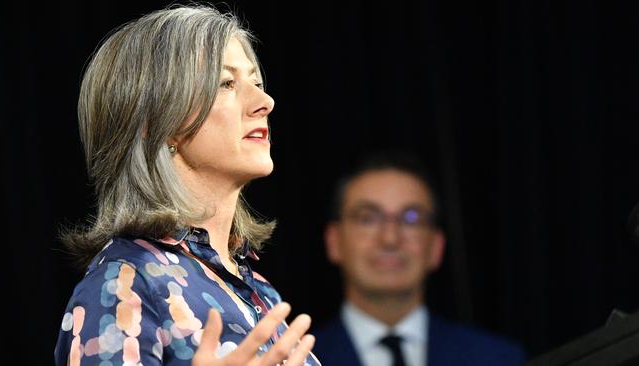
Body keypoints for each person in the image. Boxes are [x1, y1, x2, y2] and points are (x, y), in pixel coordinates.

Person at [54, 4, 320, 366]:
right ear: (155, 124)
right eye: (226, 83)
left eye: (256, 83)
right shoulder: (123, 286)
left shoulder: (260, 292)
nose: (265, 102)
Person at [312, 150, 527, 366]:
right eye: (368, 218)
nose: (390, 239)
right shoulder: (296, 359)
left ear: (436, 246)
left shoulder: (498, 359)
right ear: (334, 241)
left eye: (411, 218)